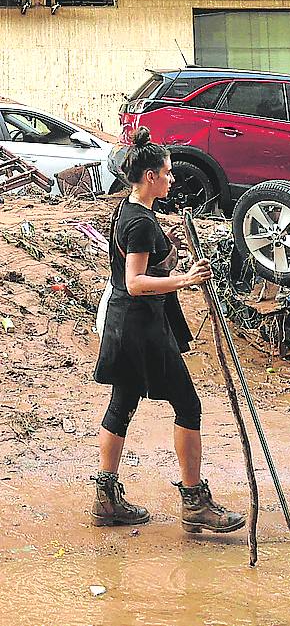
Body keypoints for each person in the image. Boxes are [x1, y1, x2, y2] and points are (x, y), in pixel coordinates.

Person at [92, 127, 244, 534]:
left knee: (122, 405)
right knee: (188, 406)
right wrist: (186, 279)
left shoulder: (132, 211)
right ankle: (194, 501)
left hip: (131, 325)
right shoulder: (140, 222)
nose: (173, 179)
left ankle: (106, 500)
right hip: (142, 328)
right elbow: (136, 283)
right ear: (150, 178)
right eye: (167, 172)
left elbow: (142, 266)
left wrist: (169, 249)